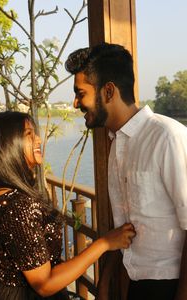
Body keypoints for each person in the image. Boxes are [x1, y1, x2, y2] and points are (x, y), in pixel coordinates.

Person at [65, 42, 187, 300]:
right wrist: (106, 284)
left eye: (80, 93)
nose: (76, 103)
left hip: (172, 286)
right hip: (135, 285)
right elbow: (122, 230)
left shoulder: (167, 137)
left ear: (108, 91)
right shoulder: (117, 144)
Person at [0, 111, 136, 300]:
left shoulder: (0, 195)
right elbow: (45, 283)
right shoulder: (18, 206)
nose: (38, 140)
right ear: (6, 147)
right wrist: (105, 243)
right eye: (29, 135)